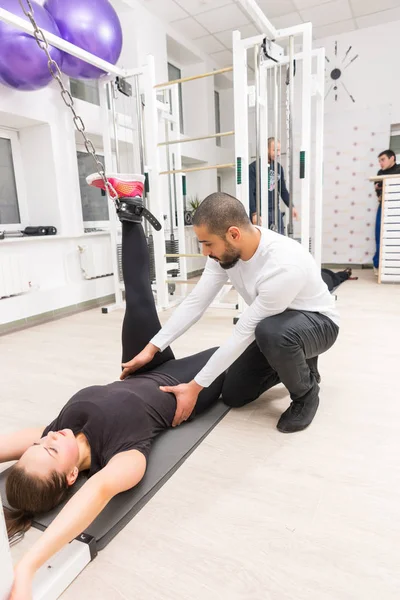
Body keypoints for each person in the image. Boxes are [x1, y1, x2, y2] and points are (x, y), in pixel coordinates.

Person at [1, 178, 225, 599]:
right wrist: (28, 566)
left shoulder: (58, 434)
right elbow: (95, 497)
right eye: (48, 449)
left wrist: (40, 446)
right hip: (182, 386)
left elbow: (14, 446)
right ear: (71, 476)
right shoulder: (121, 460)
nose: (47, 436)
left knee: (139, 299)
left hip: (142, 367)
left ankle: (130, 205)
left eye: (40, 442)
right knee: (238, 348)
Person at [122, 192, 340, 438]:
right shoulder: (224, 253)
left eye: (208, 243)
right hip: (275, 325)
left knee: (271, 333)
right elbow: (196, 302)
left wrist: (193, 388)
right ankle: (299, 366)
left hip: (318, 324)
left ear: (233, 234)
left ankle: (306, 395)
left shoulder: (283, 264)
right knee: (235, 394)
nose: (205, 252)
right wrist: (153, 348)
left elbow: (243, 333)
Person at [249, 137, 298, 232]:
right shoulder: (253, 168)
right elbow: (249, 192)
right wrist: (254, 213)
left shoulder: (278, 168)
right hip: (259, 213)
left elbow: (283, 190)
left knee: (279, 241)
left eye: (279, 150)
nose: (278, 153)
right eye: (275, 150)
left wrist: (291, 207)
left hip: (275, 211)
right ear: (266, 149)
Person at [373, 150, 400, 275]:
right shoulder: (380, 173)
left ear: (392, 158)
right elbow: (379, 195)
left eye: (382, 160)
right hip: (384, 205)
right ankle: (378, 265)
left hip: (397, 206)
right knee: (380, 233)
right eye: (379, 161)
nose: (380, 163)